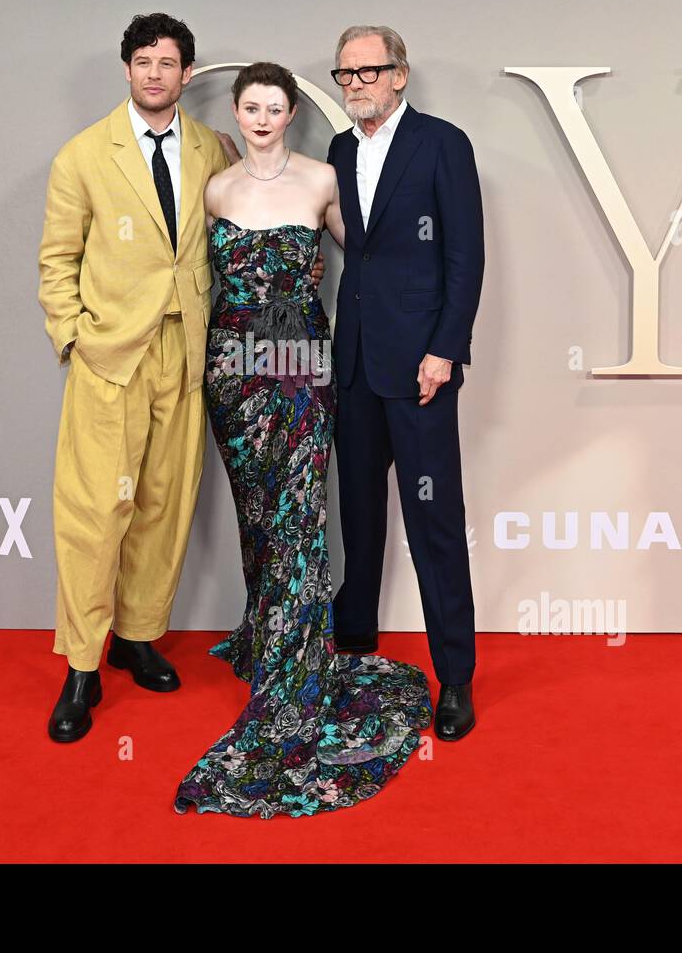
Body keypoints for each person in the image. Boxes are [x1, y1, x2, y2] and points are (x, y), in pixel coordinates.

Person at [38, 15, 324, 744]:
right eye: (144, 62)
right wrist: (75, 338)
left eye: (169, 63)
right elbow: (56, 259)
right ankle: (81, 665)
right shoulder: (81, 156)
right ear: (127, 70)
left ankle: (137, 636)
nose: (156, 74)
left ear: (189, 75)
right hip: (114, 356)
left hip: (195, 355)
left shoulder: (213, 151)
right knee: (96, 510)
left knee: (164, 505)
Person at [172, 62, 432, 818]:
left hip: (299, 365)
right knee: (259, 516)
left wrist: (419, 319)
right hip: (232, 369)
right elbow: (193, 277)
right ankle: (267, 635)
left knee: (298, 520)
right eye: (249, 107)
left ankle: (295, 669)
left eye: (274, 106)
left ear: (291, 113)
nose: (261, 117)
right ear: (236, 111)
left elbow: (372, 257)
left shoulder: (323, 180)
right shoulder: (215, 188)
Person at [326, 25, 485, 740]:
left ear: (400, 75)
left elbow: (466, 257)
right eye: (345, 74)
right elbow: (358, 251)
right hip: (355, 363)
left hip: (420, 365)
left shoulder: (443, 143)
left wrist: (445, 350)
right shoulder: (338, 149)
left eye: (369, 71)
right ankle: (354, 646)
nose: (356, 83)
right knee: (357, 516)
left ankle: (454, 678)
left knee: (434, 524)